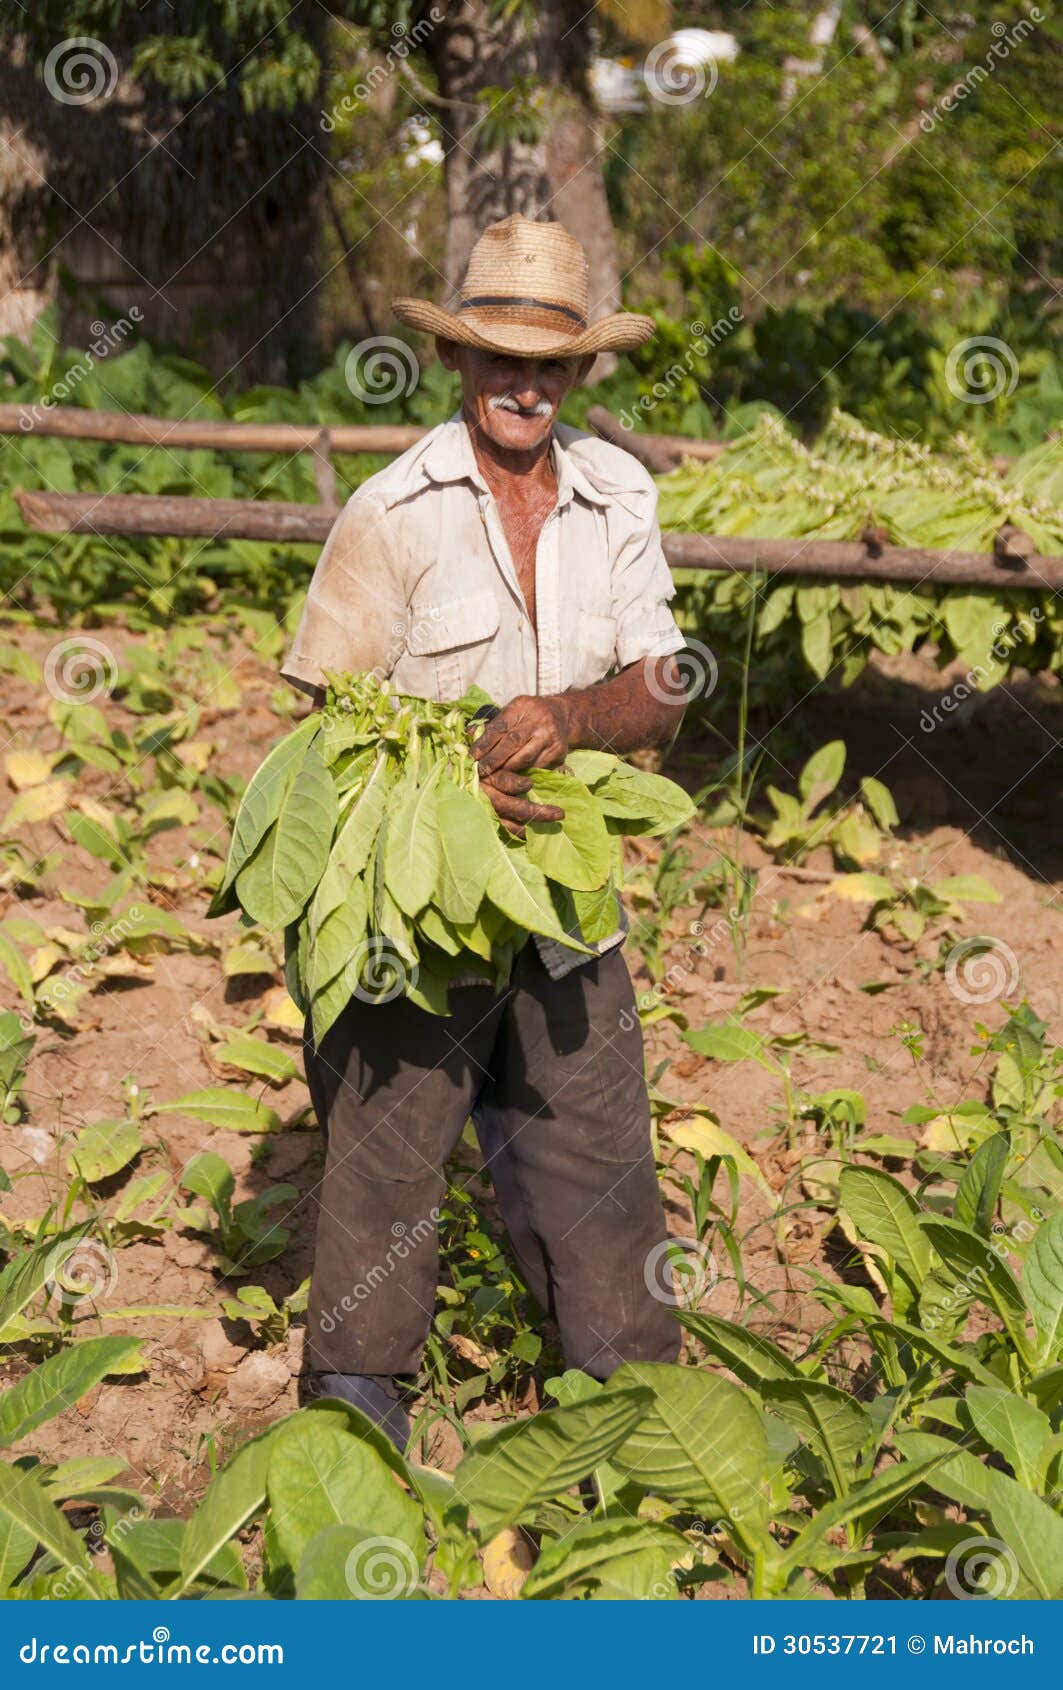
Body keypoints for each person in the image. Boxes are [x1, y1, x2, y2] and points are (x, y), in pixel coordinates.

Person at [281, 213, 689, 1451]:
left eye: (549, 364)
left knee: (597, 1146)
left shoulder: (619, 493)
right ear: (457, 362)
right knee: (390, 1144)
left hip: (564, 880)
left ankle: (630, 1412)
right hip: (420, 891)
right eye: (499, 359)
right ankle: (357, 1402)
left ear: (579, 374)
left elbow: (664, 686)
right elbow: (320, 715)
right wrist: (446, 769)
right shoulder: (393, 508)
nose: (525, 383)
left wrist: (568, 716)